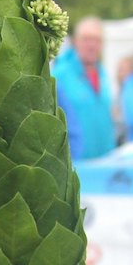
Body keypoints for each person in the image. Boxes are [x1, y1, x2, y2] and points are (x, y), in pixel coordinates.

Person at [51, 15, 116, 159]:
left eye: (97, 40)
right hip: (76, 165)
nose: (92, 45)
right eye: (86, 39)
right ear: (75, 42)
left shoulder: (103, 74)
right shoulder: (59, 75)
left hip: (106, 161)